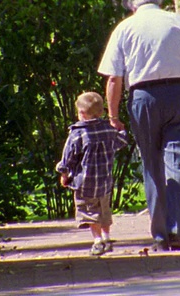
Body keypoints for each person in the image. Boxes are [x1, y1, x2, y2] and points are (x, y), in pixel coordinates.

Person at [97, 0, 180, 251]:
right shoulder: (178, 21)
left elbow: (114, 78)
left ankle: (160, 235)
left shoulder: (124, 28)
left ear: (132, 4)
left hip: (144, 98)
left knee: (151, 164)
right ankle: (178, 233)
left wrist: (113, 116)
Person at [56, 91, 128, 256]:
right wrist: (122, 130)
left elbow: (68, 157)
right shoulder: (108, 131)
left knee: (90, 212)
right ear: (102, 112)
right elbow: (121, 142)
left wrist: (64, 173)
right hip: (105, 181)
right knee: (104, 209)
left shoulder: (77, 133)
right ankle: (107, 237)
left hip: (84, 182)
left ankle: (97, 241)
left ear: (81, 113)